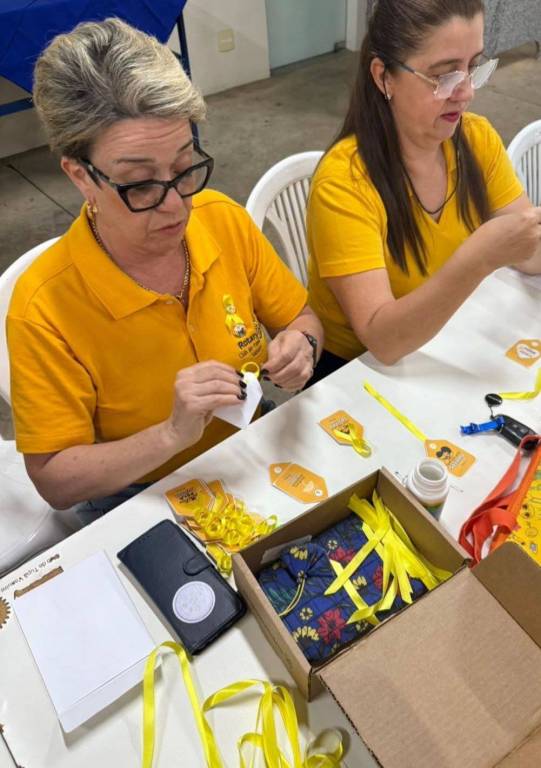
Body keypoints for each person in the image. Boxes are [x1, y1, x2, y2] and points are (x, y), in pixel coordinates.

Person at [7, 18, 323, 522]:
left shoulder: (220, 219)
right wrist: (170, 434)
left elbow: (301, 319)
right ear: (80, 177)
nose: (176, 206)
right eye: (140, 184)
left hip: (250, 445)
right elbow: (56, 481)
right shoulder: (43, 307)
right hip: (139, 493)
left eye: (183, 168)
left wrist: (302, 347)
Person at [307, 0, 541, 378]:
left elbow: (530, 253)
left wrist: (523, 241)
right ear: (384, 77)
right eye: (444, 76)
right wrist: (479, 259)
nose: (466, 93)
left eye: (474, 67)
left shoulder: (476, 140)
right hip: (356, 374)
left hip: (448, 337)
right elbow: (383, 341)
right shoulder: (344, 183)